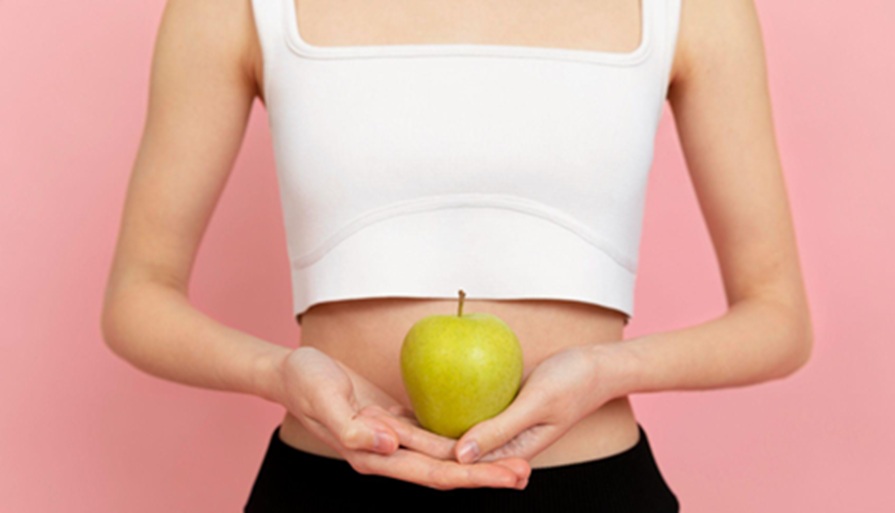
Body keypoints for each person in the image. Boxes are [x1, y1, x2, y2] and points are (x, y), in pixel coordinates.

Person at [101, 0, 813, 511]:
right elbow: (139, 294)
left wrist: (604, 371)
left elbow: (777, 318)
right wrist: (279, 373)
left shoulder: (694, 9)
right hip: (327, 486)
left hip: (592, 488)